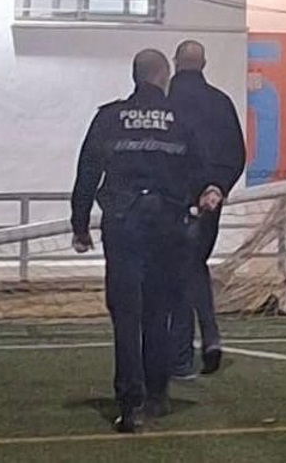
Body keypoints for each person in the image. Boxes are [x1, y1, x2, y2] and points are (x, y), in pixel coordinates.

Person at [71, 49, 225, 433]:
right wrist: (207, 192)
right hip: (166, 225)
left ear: (136, 76)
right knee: (159, 312)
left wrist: (80, 225)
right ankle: (157, 395)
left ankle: (129, 402)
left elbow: (87, 172)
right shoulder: (180, 119)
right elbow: (203, 170)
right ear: (163, 77)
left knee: (126, 315)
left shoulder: (108, 117)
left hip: (122, 224)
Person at [167, 40, 246, 379]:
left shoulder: (168, 104)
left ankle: (180, 357)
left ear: (175, 63)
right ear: (204, 63)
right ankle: (210, 336)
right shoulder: (221, 102)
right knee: (194, 266)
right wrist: (217, 187)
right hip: (211, 202)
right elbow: (237, 152)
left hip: (175, 201)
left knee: (177, 275)